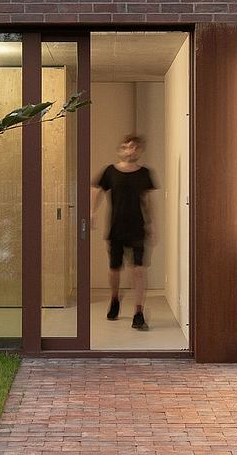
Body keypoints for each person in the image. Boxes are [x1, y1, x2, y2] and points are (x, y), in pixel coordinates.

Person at [90, 133, 157, 331]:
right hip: (116, 227)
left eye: (135, 147)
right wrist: (92, 212)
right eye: (128, 147)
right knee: (115, 269)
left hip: (138, 228)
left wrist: (151, 224)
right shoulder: (110, 171)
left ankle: (138, 312)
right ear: (121, 149)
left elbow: (147, 200)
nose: (131, 150)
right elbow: (97, 190)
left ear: (140, 151)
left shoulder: (144, 173)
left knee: (138, 270)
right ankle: (114, 299)